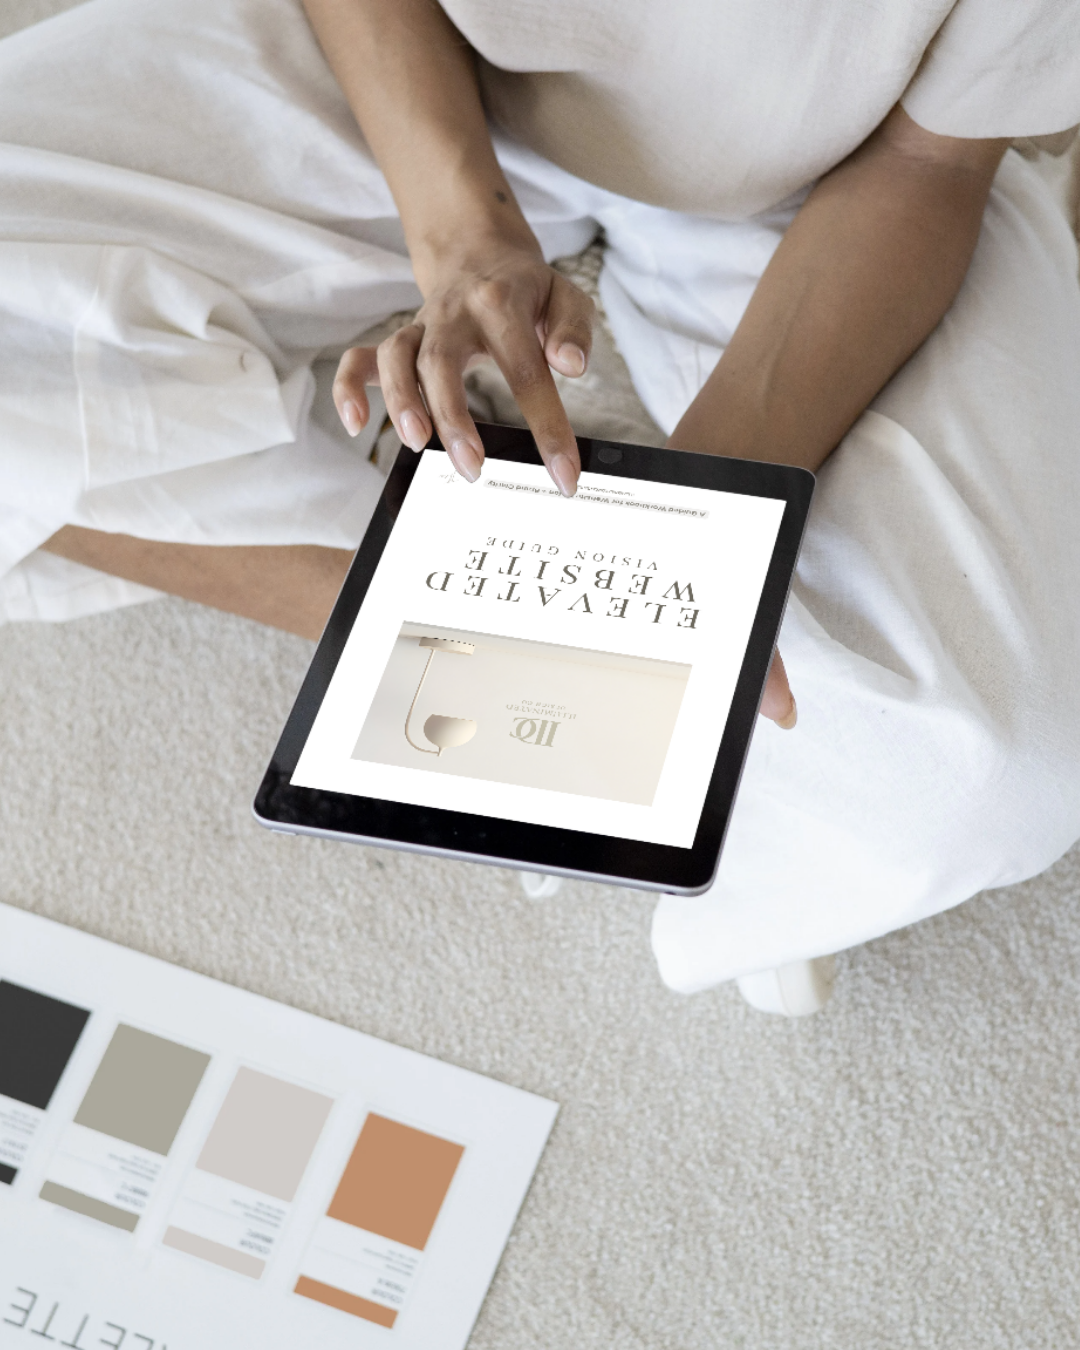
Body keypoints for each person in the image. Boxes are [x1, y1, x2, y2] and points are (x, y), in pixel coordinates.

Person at [3, 0, 1079, 1000]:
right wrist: (460, 233)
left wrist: (691, 529)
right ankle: (459, 606)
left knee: (979, 780)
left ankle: (499, 608)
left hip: (828, 180)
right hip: (423, 65)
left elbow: (927, 158)